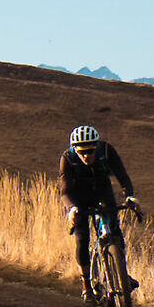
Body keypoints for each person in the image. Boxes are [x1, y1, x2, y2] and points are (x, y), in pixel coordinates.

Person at [59, 125, 140, 297]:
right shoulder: (67, 158)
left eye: (90, 150)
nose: (86, 155)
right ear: (75, 150)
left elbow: (122, 176)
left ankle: (121, 273)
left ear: (97, 146)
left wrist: (130, 196)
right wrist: (72, 209)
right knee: (82, 239)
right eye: (82, 152)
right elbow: (65, 191)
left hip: (102, 192)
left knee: (114, 232)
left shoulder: (107, 151)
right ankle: (86, 285)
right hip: (78, 197)